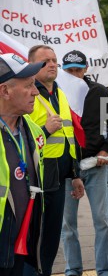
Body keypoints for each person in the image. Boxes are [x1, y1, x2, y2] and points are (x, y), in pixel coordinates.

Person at [26, 46, 85, 276]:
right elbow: (18, 137)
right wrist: (45, 131)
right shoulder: (29, 92)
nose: (52, 64)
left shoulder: (60, 92)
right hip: (36, 178)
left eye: (54, 60)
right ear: (32, 65)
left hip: (59, 178)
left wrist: (76, 173)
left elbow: (69, 138)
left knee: (51, 238)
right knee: (35, 239)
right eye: (45, 61)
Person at [60, 50, 108, 276]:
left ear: (86, 69)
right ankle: (72, 269)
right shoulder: (57, 94)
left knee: (102, 220)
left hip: (95, 165)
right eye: (69, 71)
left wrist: (106, 149)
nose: (74, 74)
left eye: (78, 69)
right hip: (66, 168)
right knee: (67, 225)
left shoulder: (100, 92)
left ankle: (105, 271)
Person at [0, 54, 46, 276]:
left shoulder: (33, 131)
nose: (36, 92)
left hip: (19, 243)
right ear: (5, 91)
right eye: (28, 86)